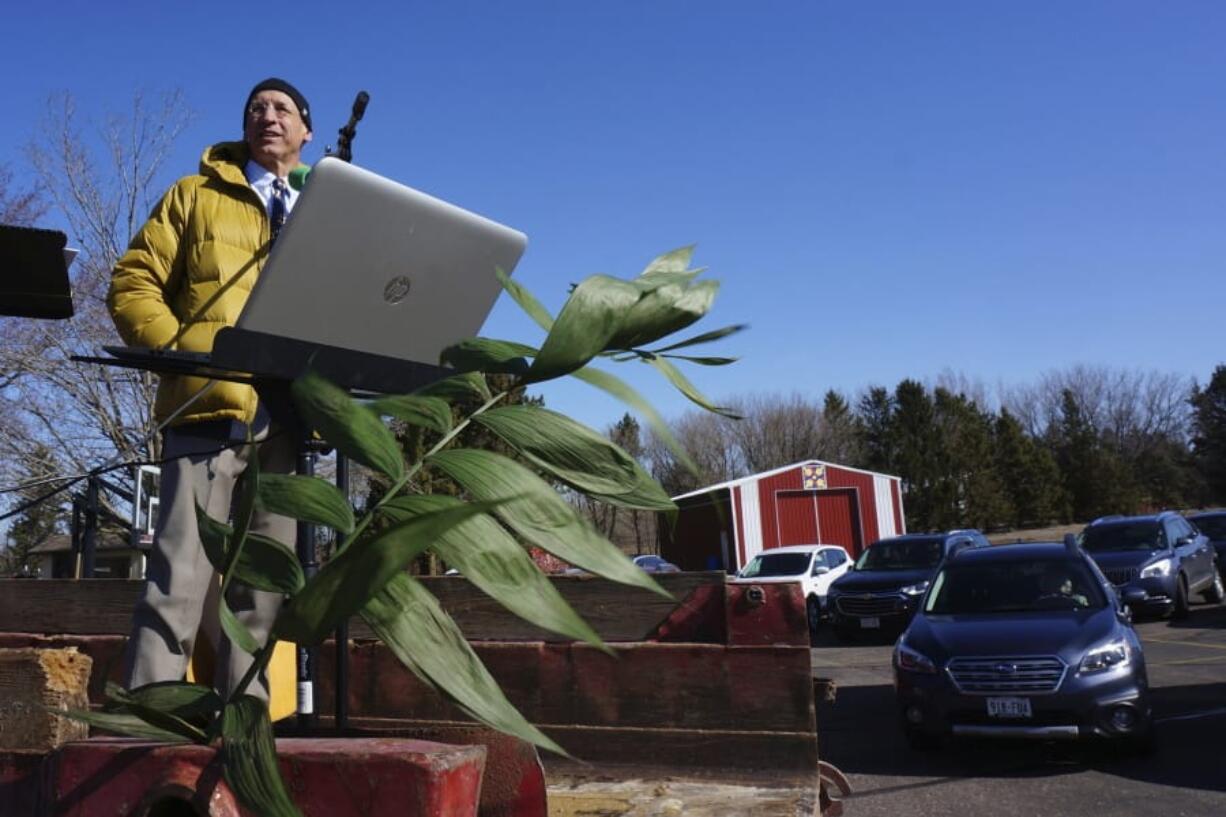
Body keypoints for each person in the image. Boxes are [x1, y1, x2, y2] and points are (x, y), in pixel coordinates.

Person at [108, 78, 314, 708]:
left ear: (306, 132)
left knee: (263, 590)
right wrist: (183, 354)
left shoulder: (325, 211)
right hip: (208, 411)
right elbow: (131, 282)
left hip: (291, 416)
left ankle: (246, 730)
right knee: (179, 577)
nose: (267, 116)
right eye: (256, 108)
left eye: (282, 108)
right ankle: (151, 724)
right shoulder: (194, 195)